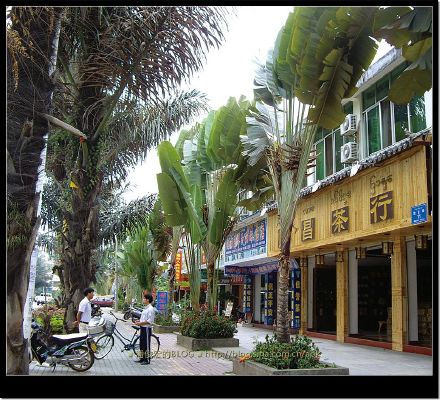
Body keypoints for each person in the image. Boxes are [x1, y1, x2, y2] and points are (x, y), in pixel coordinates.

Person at [133, 293, 155, 365]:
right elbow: (143, 319)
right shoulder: (145, 308)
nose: (143, 300)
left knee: (146, 344)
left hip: (146, 329)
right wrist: (139, 321)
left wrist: (140, 323)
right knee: (142, 344)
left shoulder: (151, 309)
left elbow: (149, 321)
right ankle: (142, 358)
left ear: (147, 300)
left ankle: (147, 360)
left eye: (144, 298)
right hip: (142, 328)